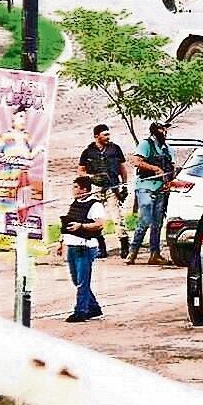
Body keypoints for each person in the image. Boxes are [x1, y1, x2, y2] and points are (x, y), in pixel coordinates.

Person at [77, 124, 129, 258]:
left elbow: (122, 168)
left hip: (112, 186)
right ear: (96, 136)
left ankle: (124, 246)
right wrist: (91, 177)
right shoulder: (88, 152)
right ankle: (101, 247)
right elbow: (80, 171)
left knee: (116, 217)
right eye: (104, 134)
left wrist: (124, 185)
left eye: (108, 134)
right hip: (96, 188)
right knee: (96, 218)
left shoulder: (115, 149)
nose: (108, 137)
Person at [127, 122, 174, 265]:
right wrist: (155, 168)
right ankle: (132, 252)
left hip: (161, 189)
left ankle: (155, 254)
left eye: (165, 129)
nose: (164, 132)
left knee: (157, 223)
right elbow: (135, 161)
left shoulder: (167, 149)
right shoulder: (145, 144)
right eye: (162, 129)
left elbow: (171, 166)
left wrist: (169, 180)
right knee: (145, 220)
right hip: (145, 186)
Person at [61, 176, 105, 322]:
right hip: (72, 245)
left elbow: (99, 224)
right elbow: (67, 223)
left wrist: (81, 226)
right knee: (77, 280)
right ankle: (93, 307)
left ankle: (81, 311)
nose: (73, 190)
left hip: (85, 247)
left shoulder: (95, 205)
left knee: (82, 282)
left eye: (75, 187)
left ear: (84, 189)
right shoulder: (75, 203)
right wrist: (61, 242)